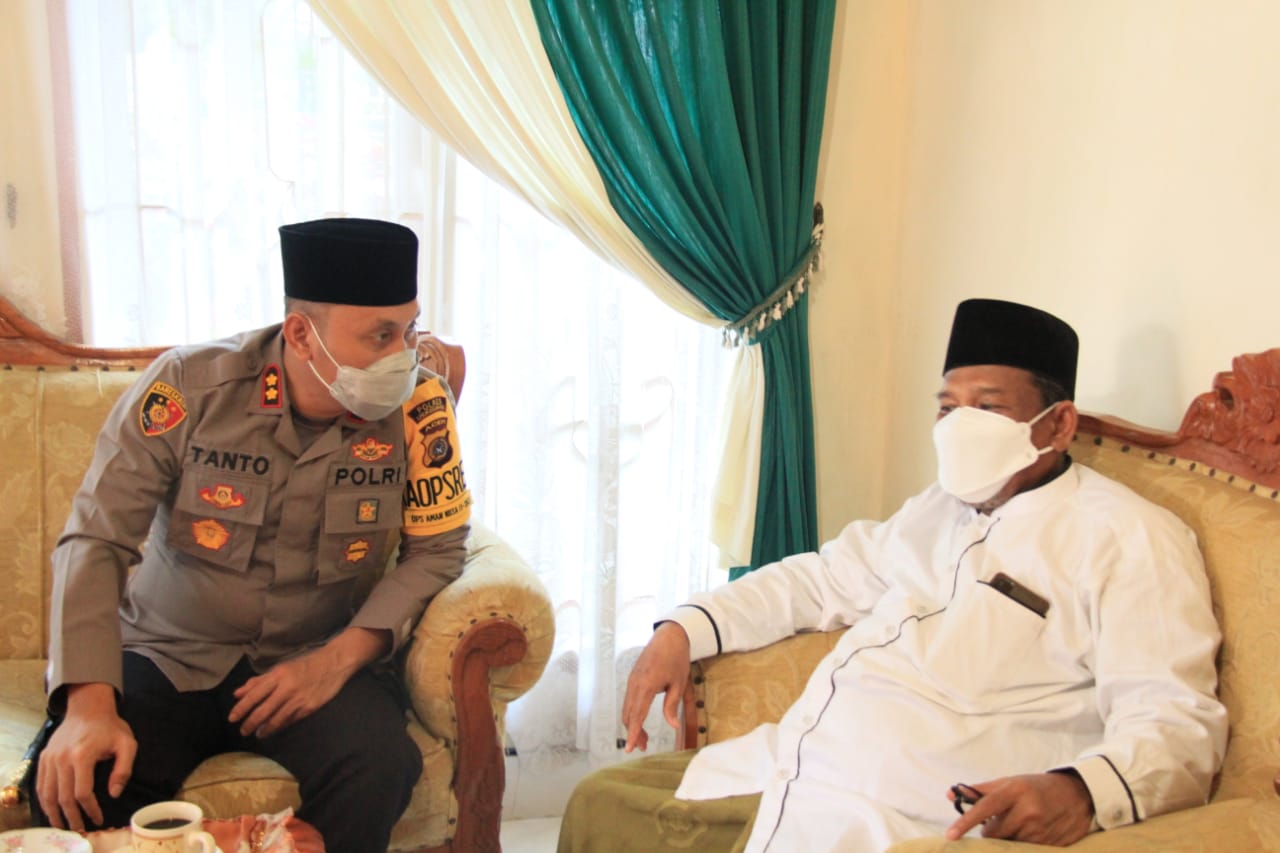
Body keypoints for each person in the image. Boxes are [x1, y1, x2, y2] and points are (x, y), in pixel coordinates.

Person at [559, 298, 1228, 852]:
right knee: (599, 803)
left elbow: (1176, 719)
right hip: (791, 764)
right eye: (948, 407)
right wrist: (686, 627)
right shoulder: (938, 508)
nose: (960, 426)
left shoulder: (1130, 537)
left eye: (988, 407)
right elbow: (821, 580)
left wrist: (1081, 790)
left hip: (906, 819)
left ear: (1057, 425)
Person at [36, 218, 473, 853]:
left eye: (409, 330)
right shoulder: (189, 388)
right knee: (83, 779)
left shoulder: (421, 406)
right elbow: (96, 539)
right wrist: (88, 704)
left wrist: (336, 661)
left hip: (312, 654)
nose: (402, 355)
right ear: (301, 334)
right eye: (380, 336)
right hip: (169, 652)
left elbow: (438, 549)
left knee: (379, 767)